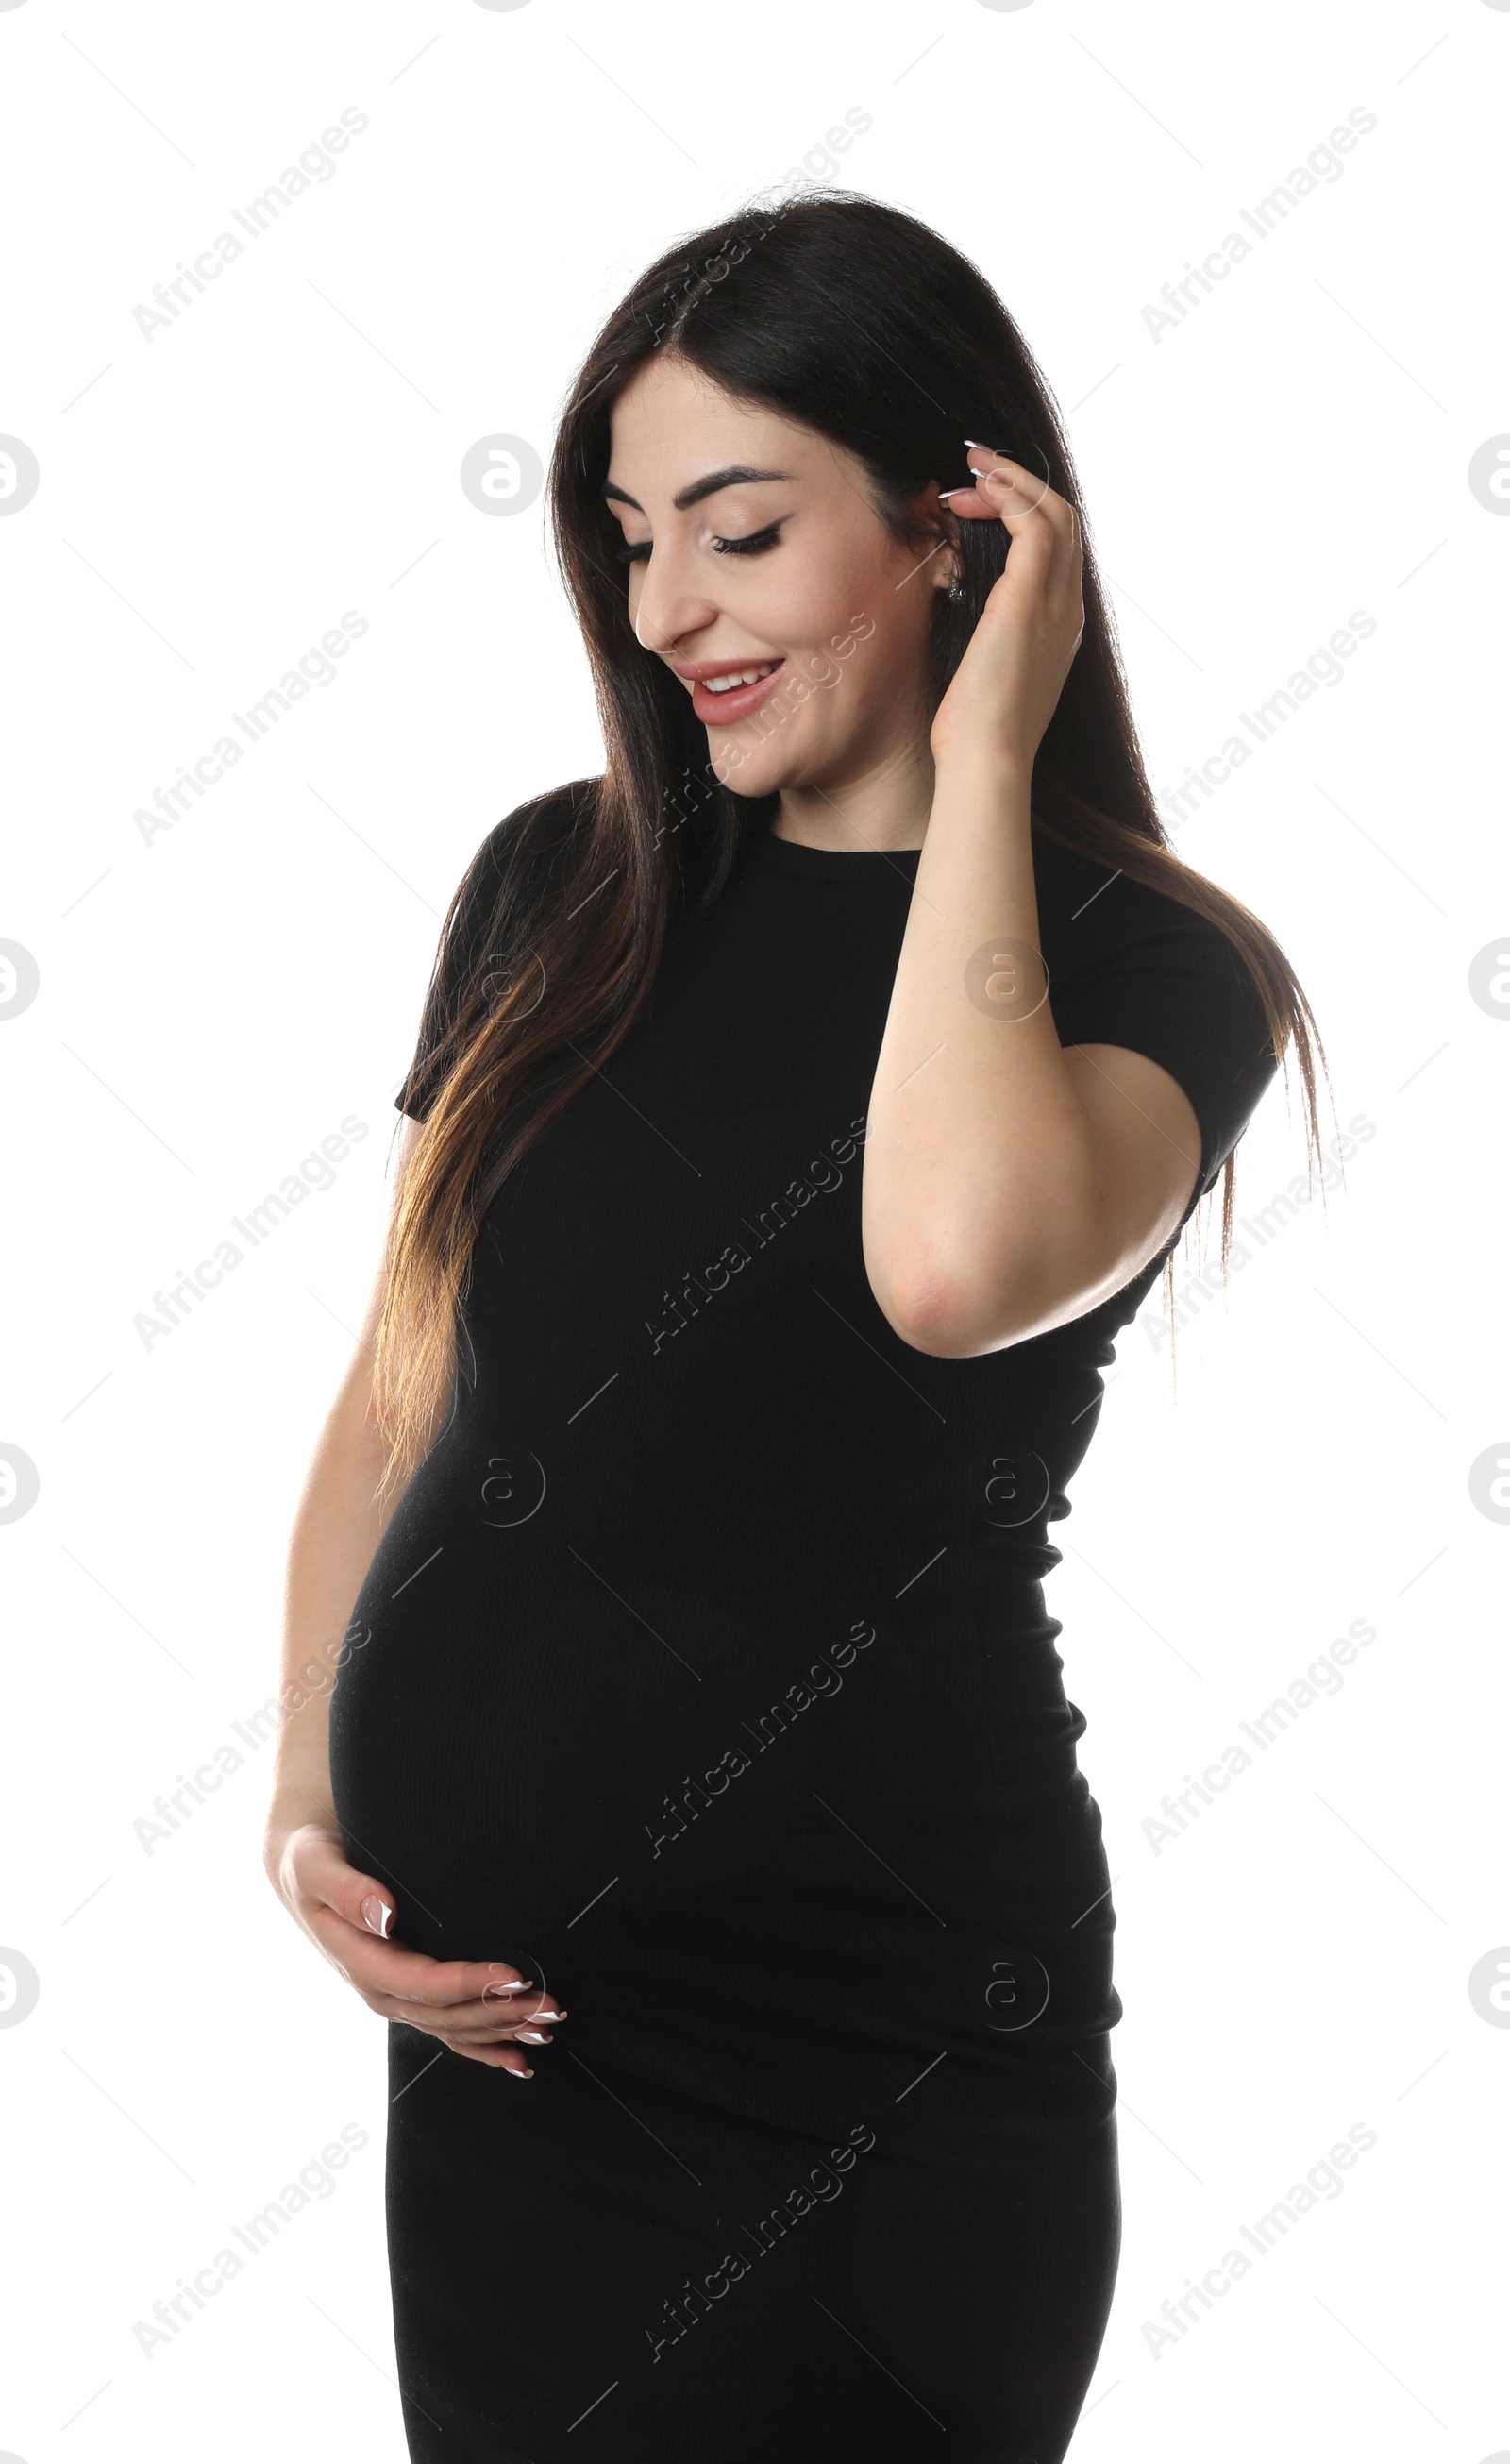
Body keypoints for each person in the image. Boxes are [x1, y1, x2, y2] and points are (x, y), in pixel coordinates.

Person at [264, 193, 1324, 2463]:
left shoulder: (1156, 969)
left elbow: (944, 1265)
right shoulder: (555, 889)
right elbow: (402, 1387)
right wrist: (304, 1795)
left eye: (737, 533)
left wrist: (974, 765)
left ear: (955, 531)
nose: (666, 614)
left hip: (873, 2084)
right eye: (632, 539)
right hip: (514, 2077)